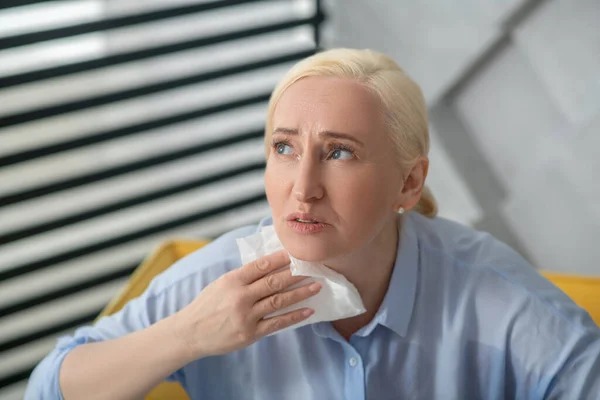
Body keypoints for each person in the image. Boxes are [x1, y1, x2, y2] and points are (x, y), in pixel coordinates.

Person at [26, 48, 600, 400]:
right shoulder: (216, 284)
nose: (303, 186)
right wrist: (188, 336)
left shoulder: (500, 302)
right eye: (283, 147)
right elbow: (48, 388)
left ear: (408, 183)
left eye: (340, 152)